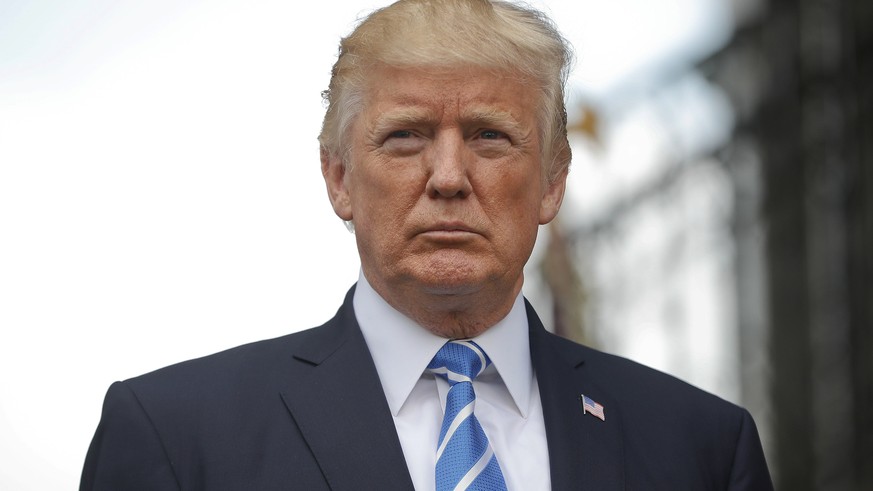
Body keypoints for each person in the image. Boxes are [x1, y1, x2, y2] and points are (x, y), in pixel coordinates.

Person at [80, 0, 774, 489]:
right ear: (338, 177)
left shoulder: (699, 446)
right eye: (405, 135)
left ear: (552, 181)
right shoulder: (177, 435)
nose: (447, 178)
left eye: (489, 136)